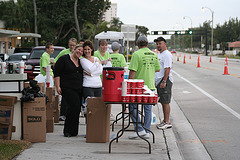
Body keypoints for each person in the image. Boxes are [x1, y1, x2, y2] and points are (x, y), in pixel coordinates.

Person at [128, 36, 160, 139]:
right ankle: (147, 132)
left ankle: (139, 129)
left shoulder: (136, 54)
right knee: (147, 109)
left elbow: (132, 71)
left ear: (137, 43)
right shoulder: (153, 54)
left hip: (138, 86)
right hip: (150, 85)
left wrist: (129, 84)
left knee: (132, 107)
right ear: (147, 43)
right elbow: (157, 69)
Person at [54, 44, 83, 137]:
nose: (80, 52)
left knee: (77, 108)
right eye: (78, 50)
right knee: (72, 106)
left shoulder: (80, 61)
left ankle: (74, 131)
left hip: (78, 88)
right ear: (74, 49)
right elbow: (57, 73)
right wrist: (57, 86)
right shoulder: (64, 59)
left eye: (82, 51)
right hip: (67, 88)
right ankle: (67, 130)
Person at [54, 38, 78, 121]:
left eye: (73, 45)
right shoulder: (64, 52)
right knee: (65, 98)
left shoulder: (78, 53)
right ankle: (63, 114)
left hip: (75, 82)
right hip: (65, 80)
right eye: (70, 45)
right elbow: (55, 62)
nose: (71, 47)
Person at [154, 37, 173, 130]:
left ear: (165, 44)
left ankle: (167, 122)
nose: (158, 45)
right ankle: (165, 121)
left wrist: (164, 81)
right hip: (159, 81)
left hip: (165, 80)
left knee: (165, 101)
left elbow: (167, 68)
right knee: (162, 101)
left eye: (160, 43)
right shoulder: (160, 54)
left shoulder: (167, 55)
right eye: (157, 44)